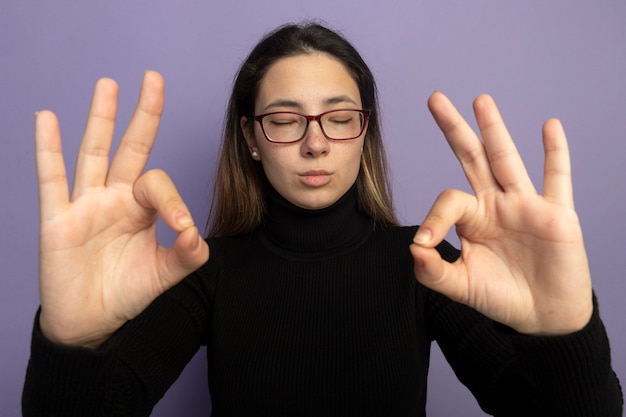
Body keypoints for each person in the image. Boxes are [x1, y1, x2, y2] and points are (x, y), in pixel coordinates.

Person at [22, 22, 622, 416]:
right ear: (252, 140)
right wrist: (70, 344)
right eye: (285, 119)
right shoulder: (206, 271)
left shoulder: (425, 261)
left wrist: (564, 331)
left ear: (365, 132)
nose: (315, 145)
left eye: (339, 117)